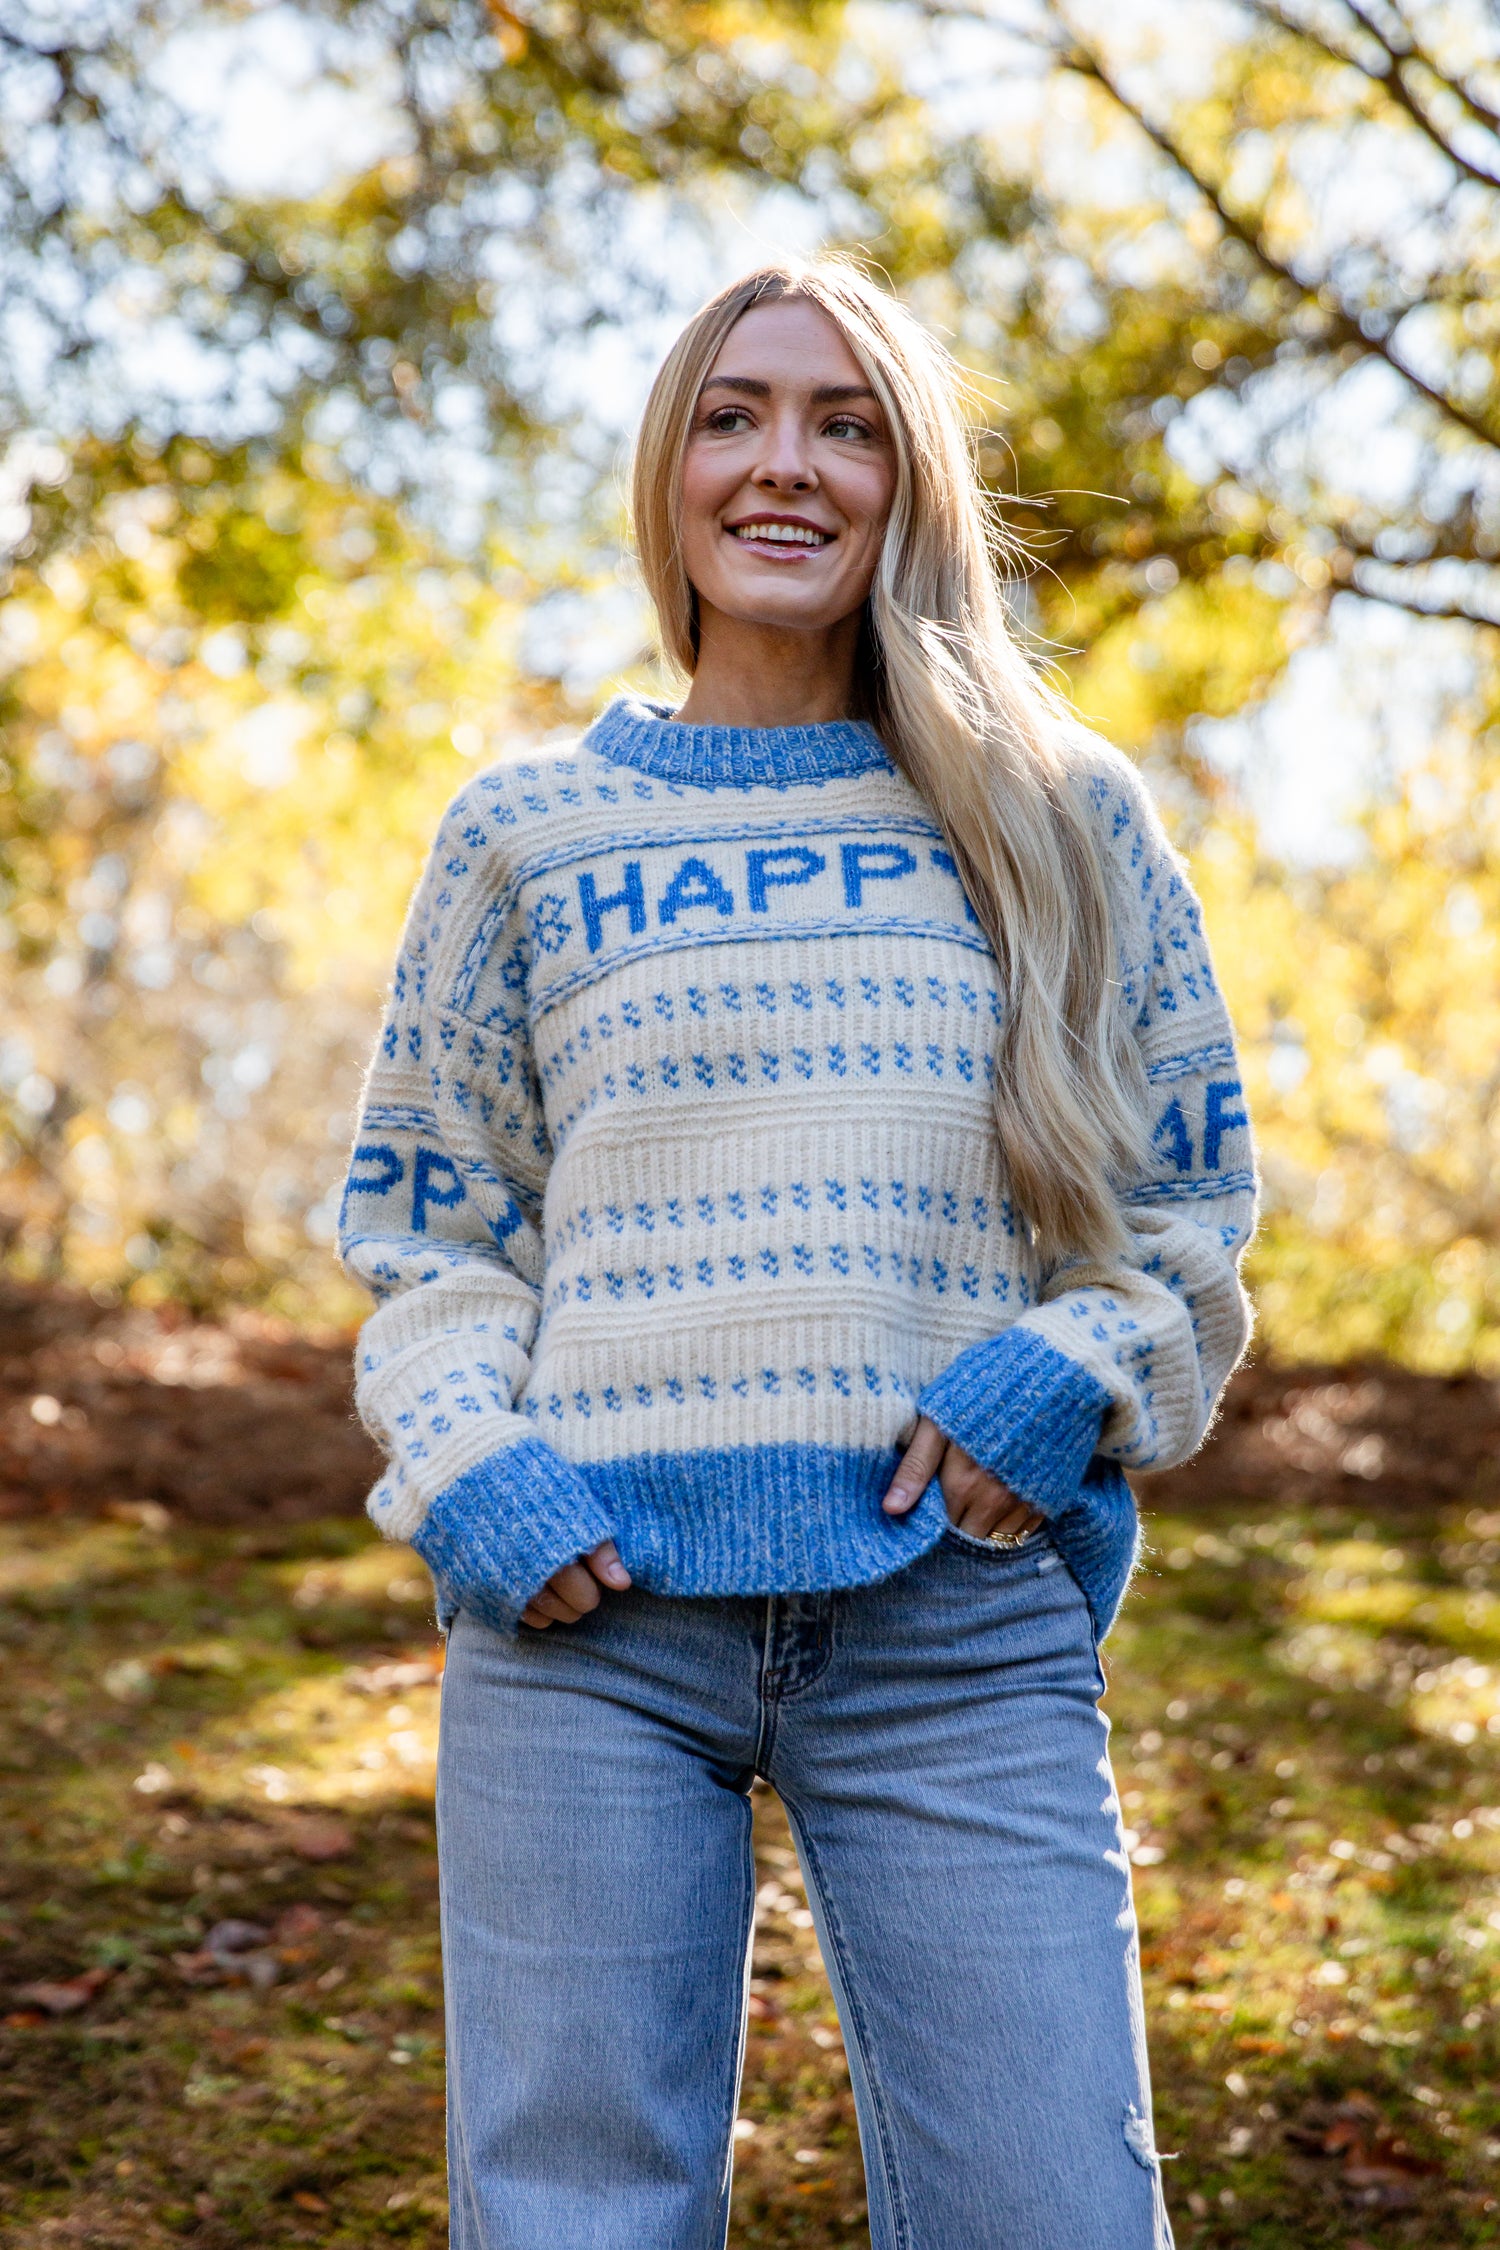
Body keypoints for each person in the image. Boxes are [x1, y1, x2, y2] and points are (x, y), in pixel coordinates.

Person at [339, 260, 1256, 2250]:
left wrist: (1071, 1364)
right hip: (589, 1634)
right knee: (578, 2220)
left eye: (846, 423)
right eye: (738, 414)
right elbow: (433, 1233)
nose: (789, 463)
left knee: (1054, 2218)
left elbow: (1187, 1202)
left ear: (905, 483)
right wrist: (469, 1463)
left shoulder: (1054, 817)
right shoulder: (529, 834)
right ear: (669, 471)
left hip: (957, 1620)